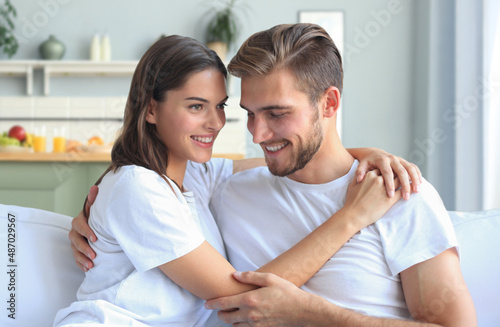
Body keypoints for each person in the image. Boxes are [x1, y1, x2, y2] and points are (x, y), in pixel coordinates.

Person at [55, 34, 420, 327]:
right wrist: (350, 219)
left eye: (221, 106)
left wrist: (367, 154)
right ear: (151, 109)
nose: (214, 123)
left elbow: (287, 154)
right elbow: (242, 296)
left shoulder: (195, 178)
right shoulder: (138, 187)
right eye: (196, 106)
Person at [199, 23, 477, 326]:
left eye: (277, 114)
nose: (258, 135)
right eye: (250, 114)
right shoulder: (229, 193)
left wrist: (312, 314)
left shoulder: (402, 195)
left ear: (329, 103)